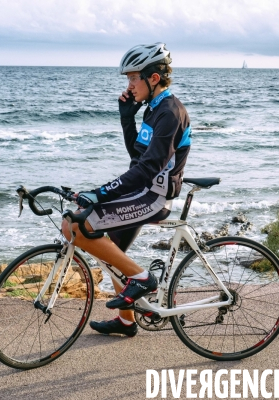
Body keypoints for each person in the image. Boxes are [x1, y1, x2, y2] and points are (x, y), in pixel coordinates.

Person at [61, 43, 192, 337]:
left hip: (153, 196)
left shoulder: (170, 113)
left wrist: (101, 192)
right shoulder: (154, 109)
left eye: (133, 78)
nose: (129, 85)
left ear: (153, 78)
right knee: (110, 251)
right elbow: (137, 156)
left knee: (75, 225)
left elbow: (147, 169)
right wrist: (126, 118)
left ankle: (143, 278)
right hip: (141, 191)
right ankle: (126, 320)